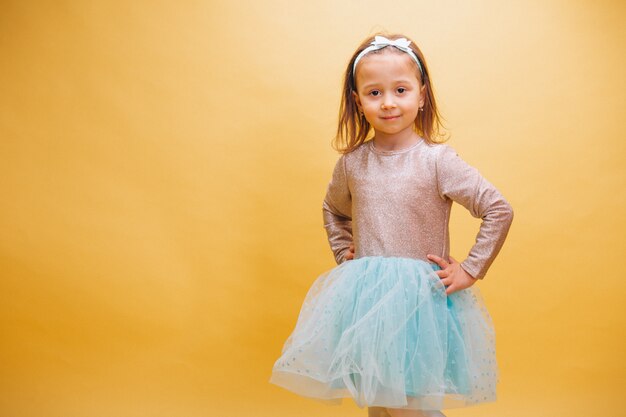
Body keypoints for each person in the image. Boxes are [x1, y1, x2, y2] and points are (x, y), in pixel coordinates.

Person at [269, 33, 514, 417]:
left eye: (400, 90)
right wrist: (341, 248)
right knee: (380, 404)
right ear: (358, 101)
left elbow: (498, 209)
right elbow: (333, 209)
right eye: (374, 93)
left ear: (422, 95)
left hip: (420, 303)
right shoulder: (353, 163)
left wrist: (471, 269)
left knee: (411, 406)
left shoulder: (436, 161)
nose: (388, 103)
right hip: (367, 304)